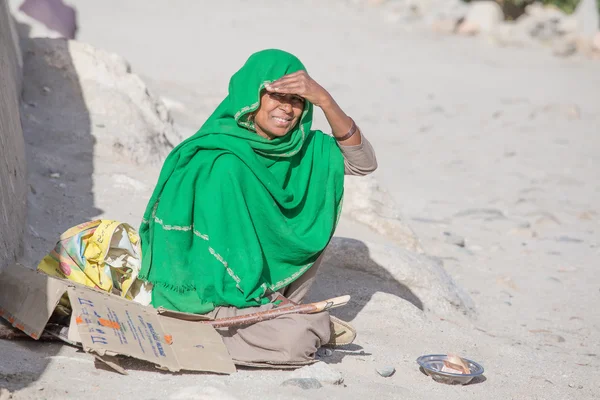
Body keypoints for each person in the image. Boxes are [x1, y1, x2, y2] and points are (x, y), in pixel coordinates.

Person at [138, 49, 377, 367]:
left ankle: (286, 320)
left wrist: (326, 100)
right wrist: (262, 302)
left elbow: (364, 163)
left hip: (269, 298)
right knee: (299, 343)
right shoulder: (219, 159)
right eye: (276, 96)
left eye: (297, 101)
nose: (287, 110)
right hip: (213, 296)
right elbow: (210, 261)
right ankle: (258, 324)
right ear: (251, 97)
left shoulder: (305, 151)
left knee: (302, 333)